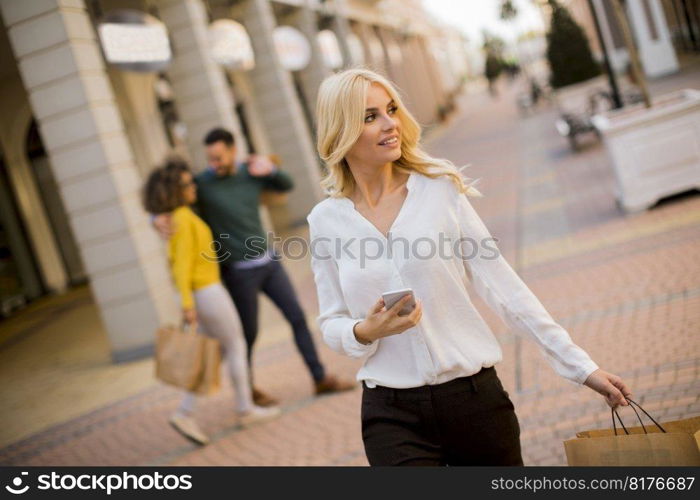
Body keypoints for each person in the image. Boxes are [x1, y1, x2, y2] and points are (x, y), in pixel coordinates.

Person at [307, 68, 633, 466]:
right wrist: (363, 331)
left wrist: (581, 367)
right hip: (391, 412)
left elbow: (504, 288)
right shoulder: (325, 221)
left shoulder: (439, 190)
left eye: (391, 109)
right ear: (340, 131)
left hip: (473, 403)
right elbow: (331, 321)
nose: (390, 123)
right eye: (370, 116)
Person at [152, 129, 354, 406]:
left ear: (233, 151)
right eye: (211, 159)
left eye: (220, 157)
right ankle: (249, 392)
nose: (215, 164)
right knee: (247, 334)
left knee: (297, 317)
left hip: (269, 262)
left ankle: (320, 378)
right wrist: (155, 217)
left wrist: (270, 170)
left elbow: (286, 184)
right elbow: (172, 199)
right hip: (238, 272)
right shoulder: (203, 185)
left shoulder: (250, 173)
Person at [143, 158, 280, 445]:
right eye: (186, 184)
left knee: (212, 354)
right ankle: (245, 409)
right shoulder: (181, 217)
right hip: (206, 292)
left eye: (191, 181)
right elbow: (179, 266)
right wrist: (186, 305)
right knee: (236, 344)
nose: (192, 186)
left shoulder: (183, 215)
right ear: (174, 190)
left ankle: (185, 413)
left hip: (204, 292)